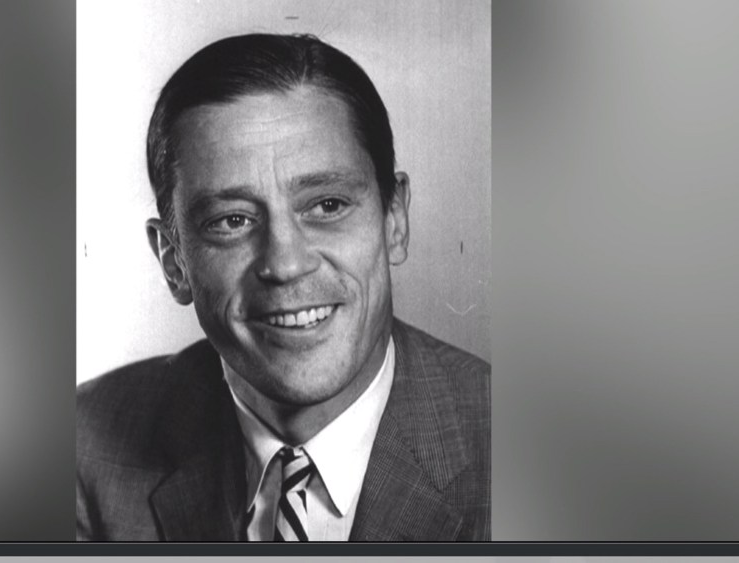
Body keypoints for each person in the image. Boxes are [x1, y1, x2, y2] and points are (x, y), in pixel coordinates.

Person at [76, 33, 490, 542]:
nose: (286, 264)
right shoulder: (84, 448)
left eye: (328, 206)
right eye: (231, 221)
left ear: (394, 221)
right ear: (174, 260)